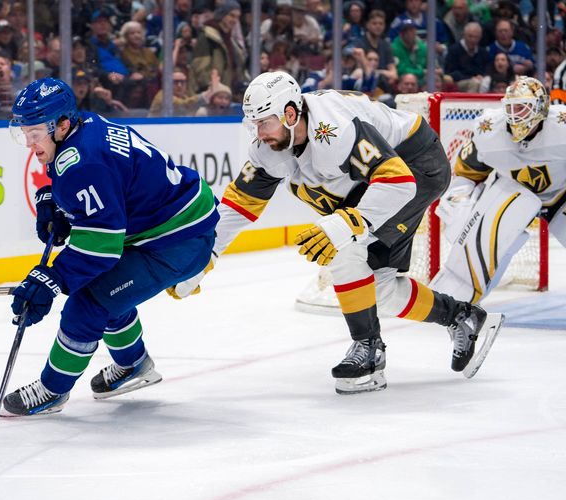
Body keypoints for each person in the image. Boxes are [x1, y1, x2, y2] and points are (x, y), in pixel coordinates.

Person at [170, 72, 503, 394]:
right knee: (381, 290)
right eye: (253, 123)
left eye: (264, 122)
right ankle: (463, 317)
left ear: (290, 114)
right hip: (373, 182)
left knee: (344, 247)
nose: (258, 132)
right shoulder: (269, 144)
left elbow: (398, 182)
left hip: (416, 164)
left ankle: (368, 351)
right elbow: (238, 206)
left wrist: (345, 224)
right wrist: (200, 257)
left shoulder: (333, 130)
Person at [1, 77, 219, 415]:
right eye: (24, 133)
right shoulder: (83, 124)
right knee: (106, 293)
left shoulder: (84, 161)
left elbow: (101, 247)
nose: (30, 143)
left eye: (35, 134)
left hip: (177, 240)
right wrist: (56, 201)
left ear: (60, 125)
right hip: (165, 226)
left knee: (86, 304)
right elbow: (105, 185)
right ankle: (134, 366)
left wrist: (51, 279)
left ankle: (52, 390)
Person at [431, 76, 566, 303]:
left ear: (541, 108)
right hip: (513, 196)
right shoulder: (489, 130)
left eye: (523, 108)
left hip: (560, 195)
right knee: (489, 247)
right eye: (511, 107)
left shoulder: (562, 127)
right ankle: (457, 303)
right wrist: (459, 203)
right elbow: (467, 174)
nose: (515, 115)